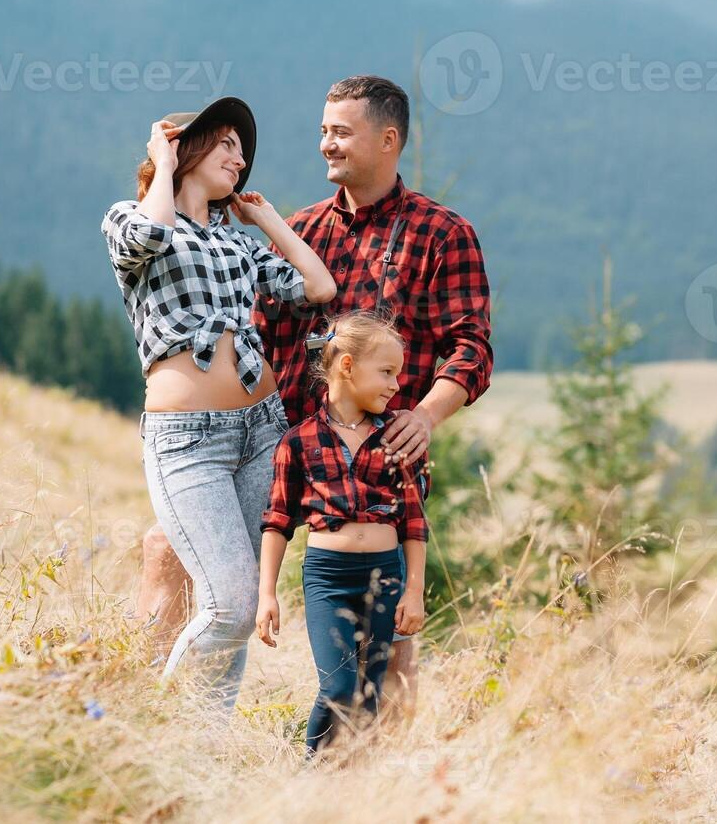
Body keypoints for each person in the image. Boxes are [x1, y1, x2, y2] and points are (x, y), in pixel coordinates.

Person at [136, 76, 494, 721]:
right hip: (280, 441)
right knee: (169, 549)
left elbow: (471, 346)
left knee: (383, 639)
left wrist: (426, 414)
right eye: (323, 128)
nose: (324, 142)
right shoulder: (297, 232)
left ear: (388, 141)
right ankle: (140, 714)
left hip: (381, 458)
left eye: (340, 131)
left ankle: (365, 785)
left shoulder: (442, 234)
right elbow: (255, 340)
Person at [101, 96, 336, 712]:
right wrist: (160, 158)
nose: (239, 159)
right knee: (230, 605)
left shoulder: (236, 244)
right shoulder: (128, 218)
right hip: (187, 439)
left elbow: (318, 286)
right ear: (187, 148)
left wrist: (268, 221)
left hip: (261, 429)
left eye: (242, 150)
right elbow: (151, 234)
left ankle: (205, 746)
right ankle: (158, 731)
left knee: (238, 604)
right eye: (226, 144)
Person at [255, 310, 429, 754]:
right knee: (337, 689)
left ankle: (351, 790)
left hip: (385, 576)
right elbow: (277, 522)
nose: (395, 384)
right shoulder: (298, 441)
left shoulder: (397, 439)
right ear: (347, 367)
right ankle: (311, 773)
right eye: (386, 372)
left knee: (368, 696)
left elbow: (413, 521)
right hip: (328, 578)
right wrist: (267, 594)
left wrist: (414, 591)